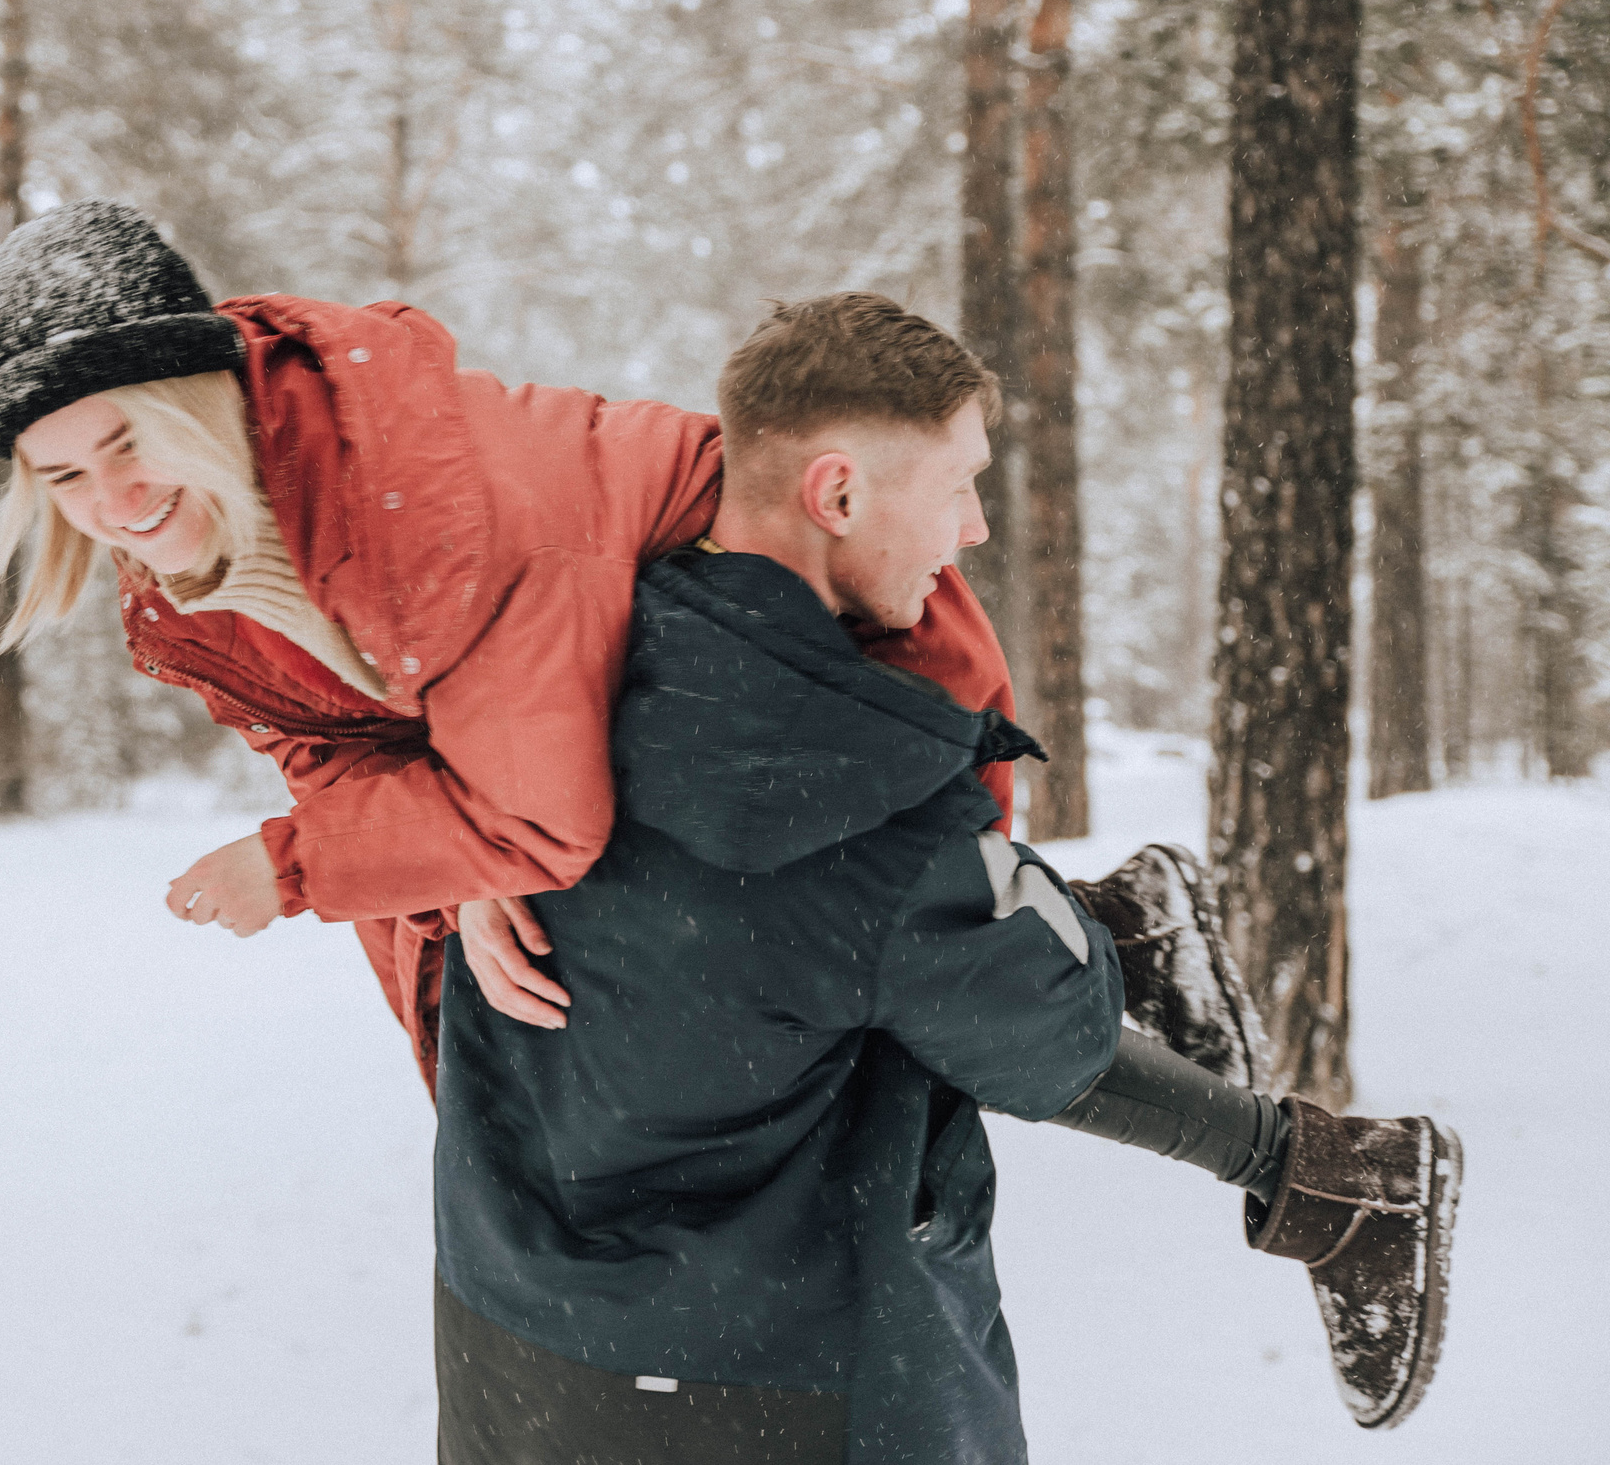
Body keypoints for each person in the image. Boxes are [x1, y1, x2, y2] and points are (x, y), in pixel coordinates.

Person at [432, 295, 1463, 1464]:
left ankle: (1242, 1076)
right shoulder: (854, 804)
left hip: (508, 1343)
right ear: (836, 494)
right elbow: (1045, 1039)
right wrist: (1051, 935)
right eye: (958, 483)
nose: (971, 527)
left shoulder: (548, 671)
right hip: (782, 1386)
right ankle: (1315, 1159)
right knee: (979, 972)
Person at [0, 199, 1019, 1089]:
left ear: (196, 400)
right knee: (524, 1066)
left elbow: (539, 817)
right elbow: (332, 751)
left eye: (129, 444)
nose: (113, 502)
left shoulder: (413, 496)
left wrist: (291, 865)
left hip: (840, 673)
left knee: (752, 1030)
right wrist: (456, 870)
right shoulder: (183, 580)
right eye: (62, 477)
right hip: (582, 756)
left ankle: (1064, 974)